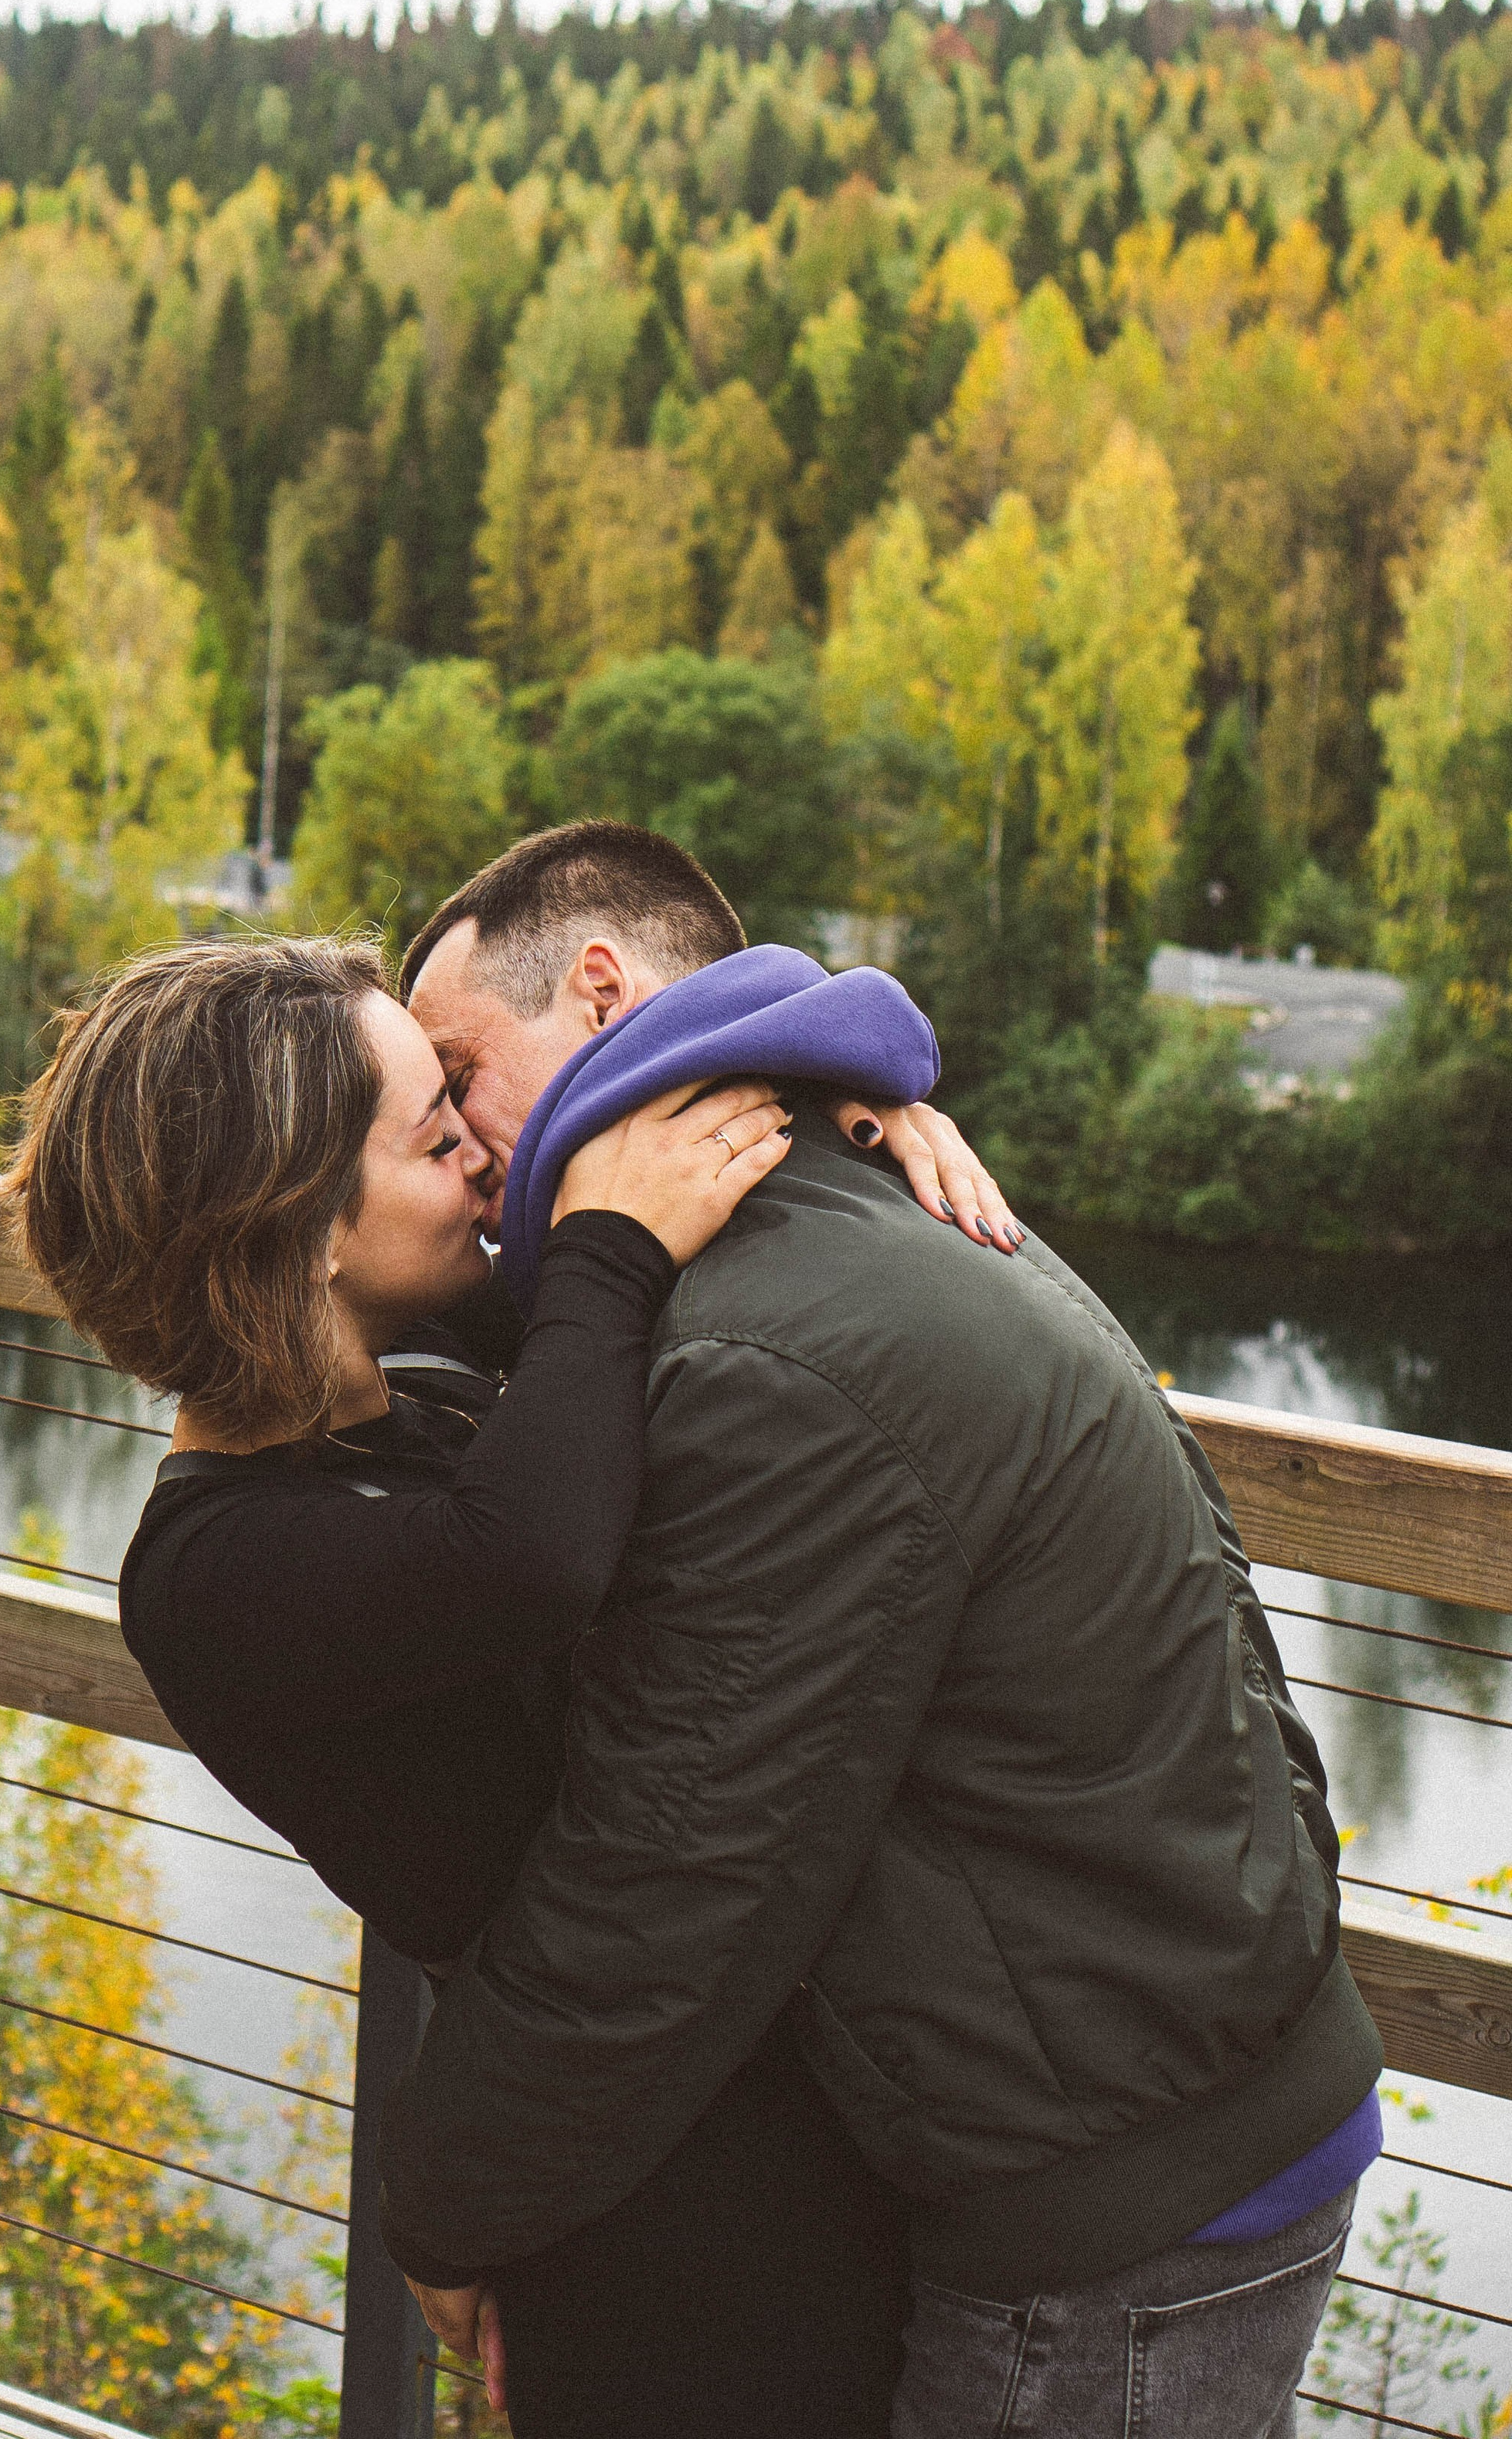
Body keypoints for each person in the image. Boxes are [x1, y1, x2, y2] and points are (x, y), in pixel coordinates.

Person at [380, 820, 1382, 2439]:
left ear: (594, 989)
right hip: (1171, 2099)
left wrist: (442, 2195)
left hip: (1119, 2198)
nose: (462, 1151)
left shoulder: (773, 1356)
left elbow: (669, 1867)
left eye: (456, 1073)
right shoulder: (839, 1197)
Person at [0, 929, 1004, 2436]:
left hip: (733, 2102)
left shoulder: (395, 1382)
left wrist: (844, 1136)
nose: (487, 1159)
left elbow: (640, 1306)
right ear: (303, 1234)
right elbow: (530, 1550)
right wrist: (603, 1241)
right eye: (433, 1133)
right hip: (638, 2205)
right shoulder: (211, 1577)